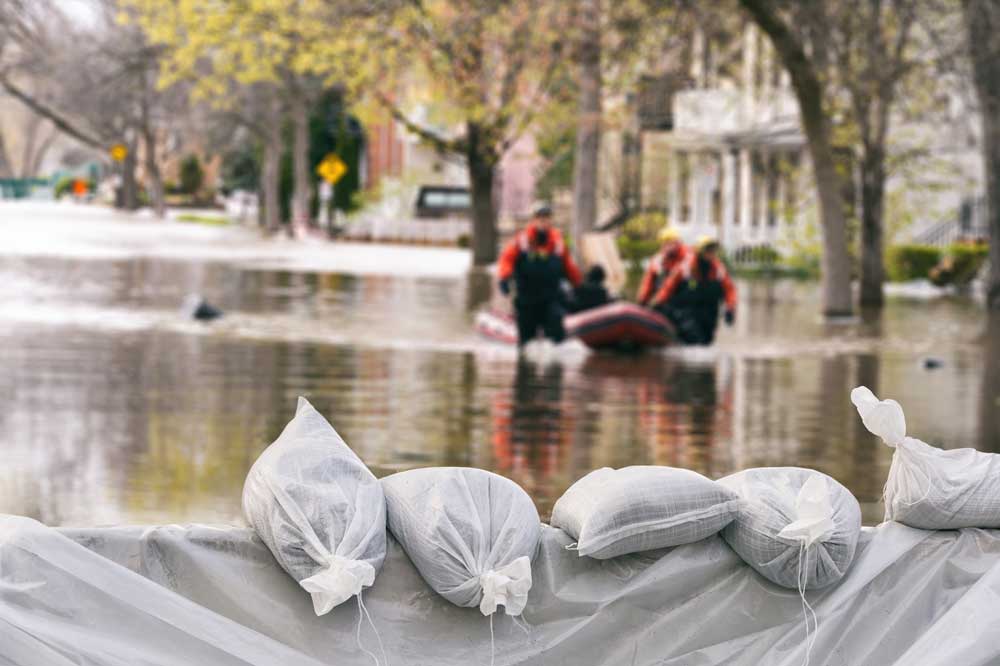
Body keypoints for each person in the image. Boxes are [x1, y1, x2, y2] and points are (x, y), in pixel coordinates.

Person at [497, 205, 582, 345]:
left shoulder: (557, 242)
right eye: (540, 218)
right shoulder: (522, 240)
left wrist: (578, 285)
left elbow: (568, 266)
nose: (544, 222)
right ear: (534, 220)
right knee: (526, 342)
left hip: (551, 298)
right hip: (527, 300)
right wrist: (504, 278)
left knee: (556, 335)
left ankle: (555, 364)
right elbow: (507, 259)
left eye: (547, 218)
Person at [650, 235, 736, 345]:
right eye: (708, 250)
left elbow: (729, 290)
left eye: (713, 250)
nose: (711, 253)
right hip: (686, 312)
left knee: (706, 342)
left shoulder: (719, 269)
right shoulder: (685, 267)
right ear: (700, 252)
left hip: (709, 314)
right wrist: (658, 303)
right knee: (694, 340)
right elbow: (668, 287)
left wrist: (730, 308)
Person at [636, 226, 690, 306]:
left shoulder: (687, 257)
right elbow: (648, 281)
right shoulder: (658, 259)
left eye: (671, 242)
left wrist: (659, 300)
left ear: (678, 242)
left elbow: (673, 280)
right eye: (665, 242)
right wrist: (642, 300)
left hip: (682, 301)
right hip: (665, 301)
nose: (667, 245)